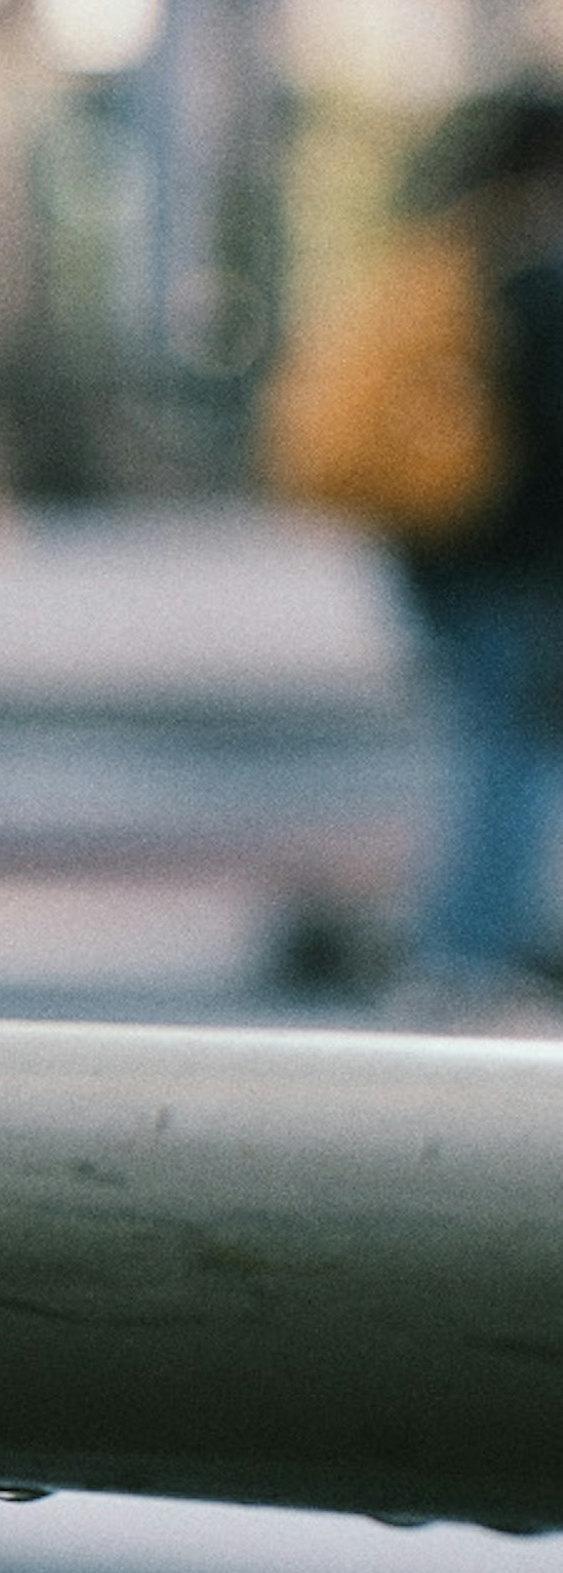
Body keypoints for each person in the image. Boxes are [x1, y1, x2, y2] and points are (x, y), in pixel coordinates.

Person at [263, 83, 563, 997]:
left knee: (498, 743)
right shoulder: (532, 269)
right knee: (511, 753)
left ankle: (471, 944)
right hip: (514, 561)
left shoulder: (446, 248)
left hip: (440, 548)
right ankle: (466, 957)